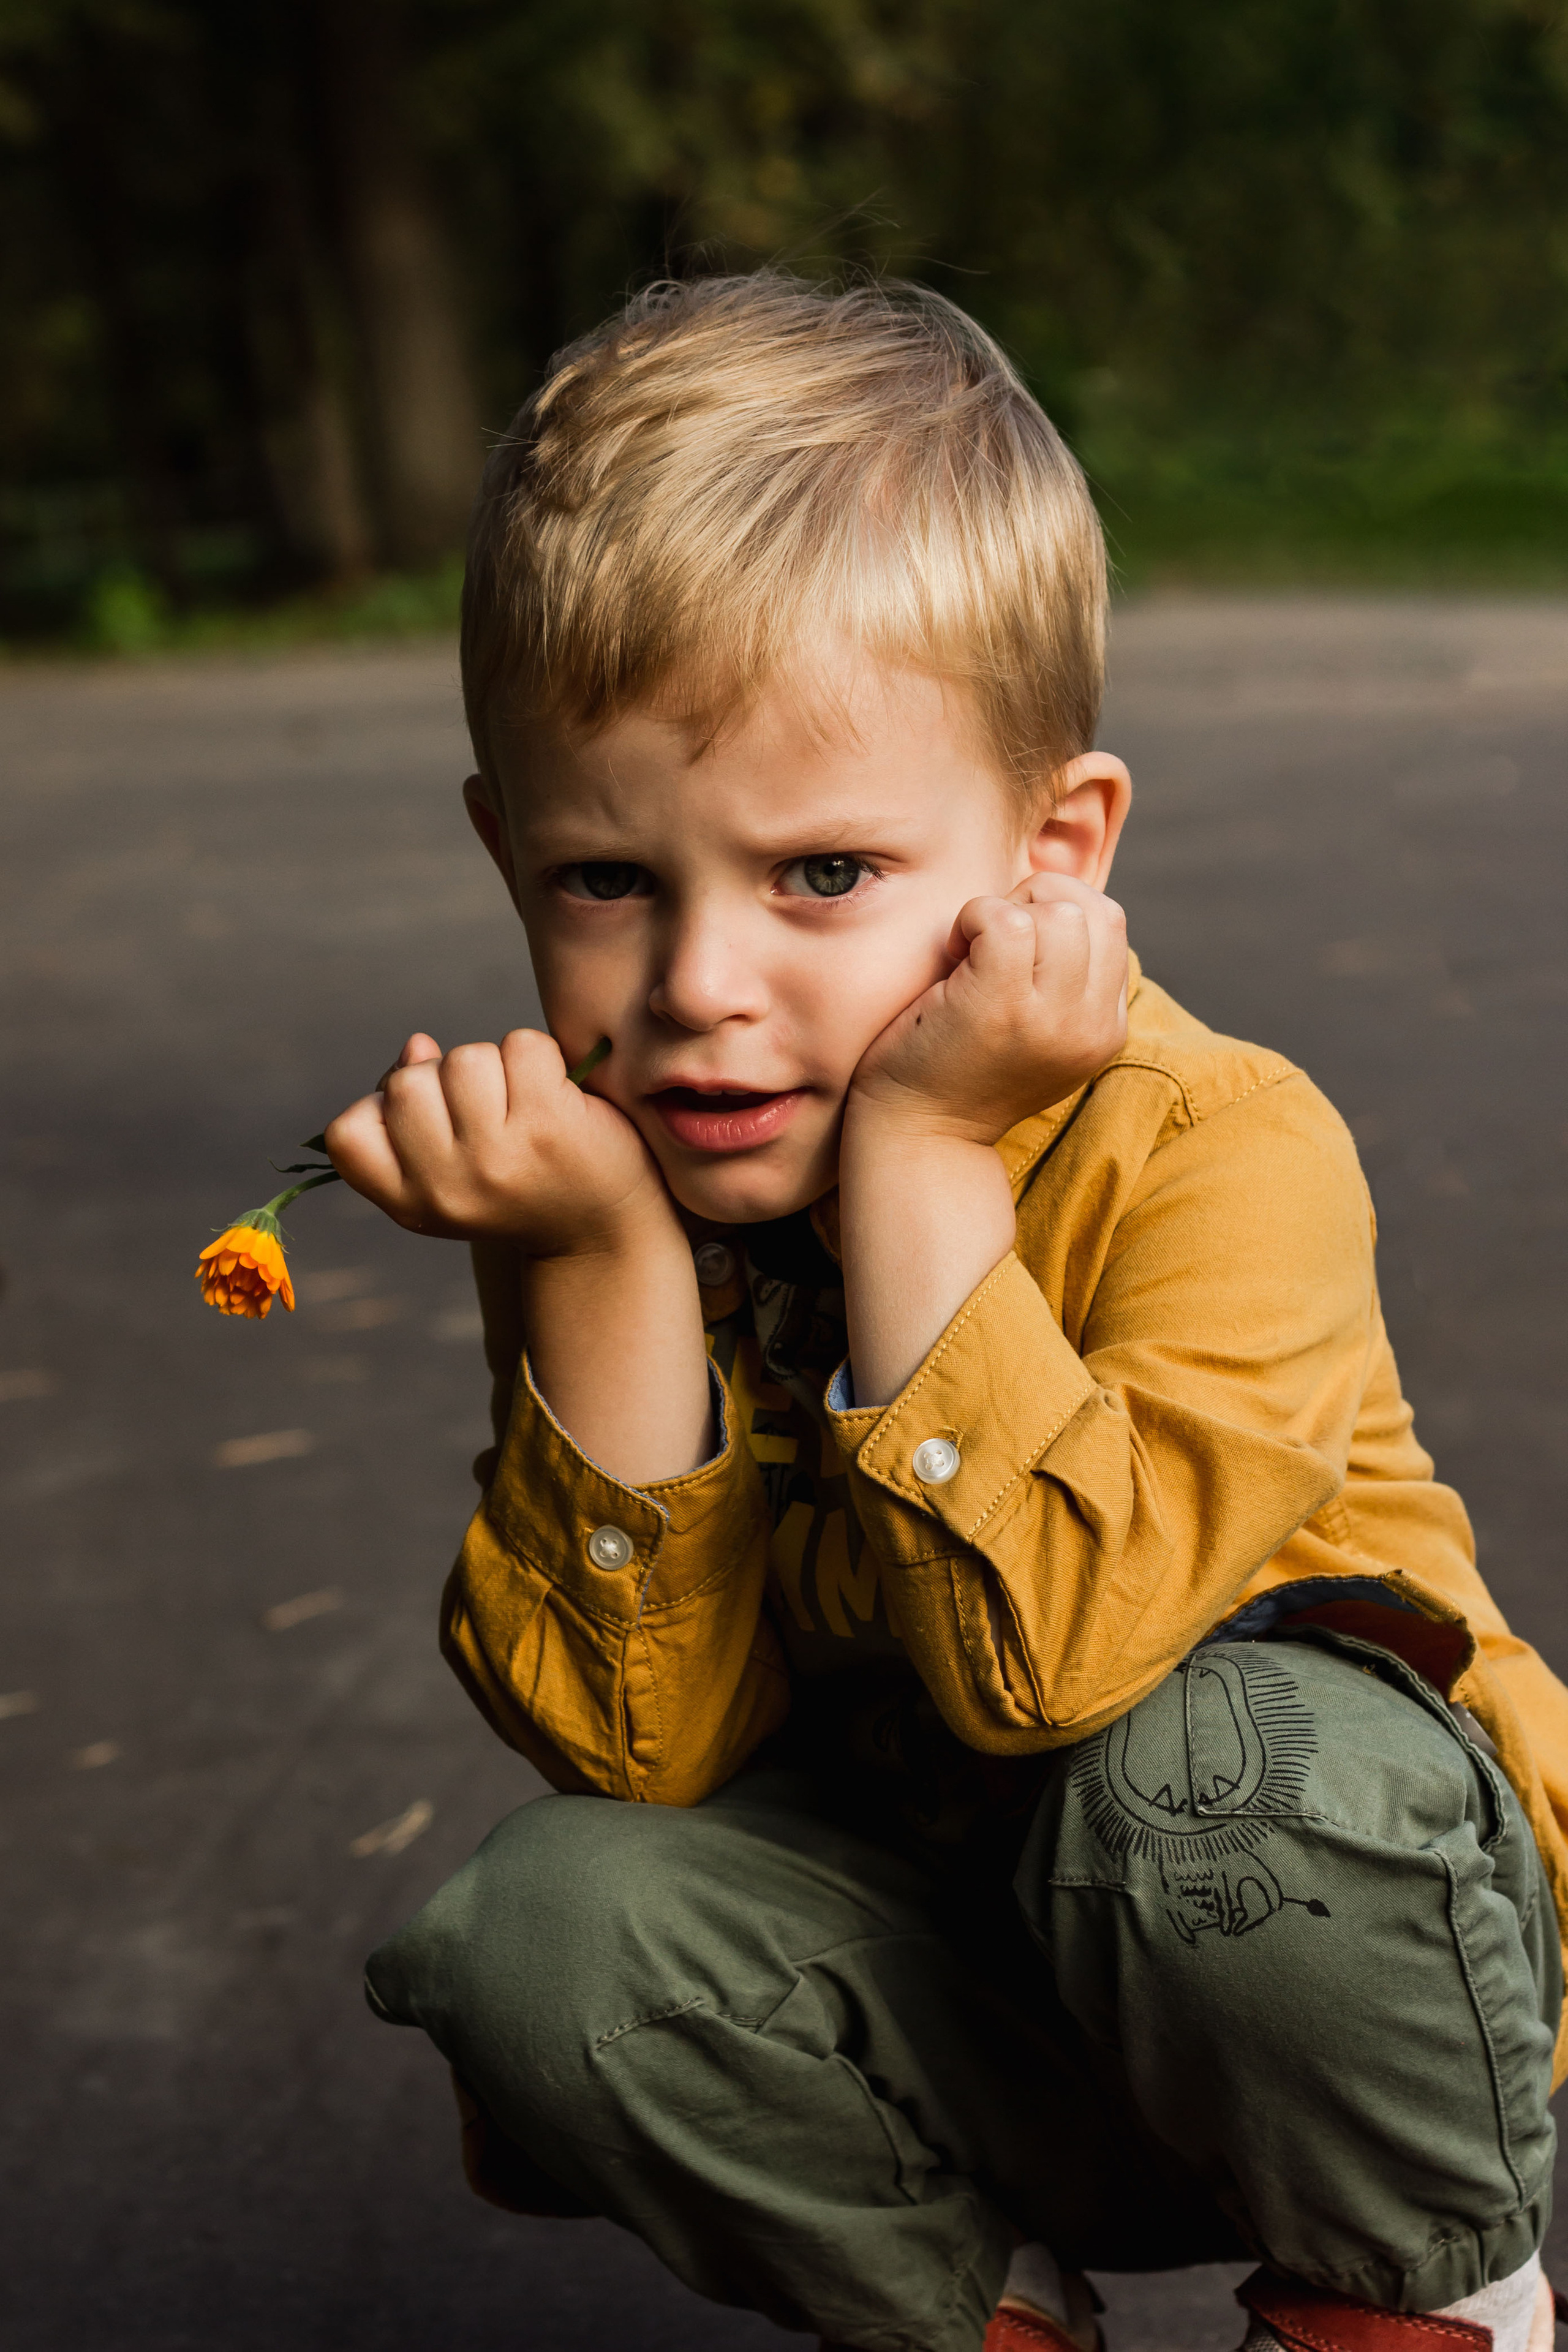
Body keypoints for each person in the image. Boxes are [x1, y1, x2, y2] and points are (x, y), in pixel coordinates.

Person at [323, 273, 1568, 2352]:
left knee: (1210, 1772)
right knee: (544, 1937)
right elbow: (648, 1760)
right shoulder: (622, 1179)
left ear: (1049, 848)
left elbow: (1053, 1666)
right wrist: (605, 1261)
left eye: (822, 875)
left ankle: (1417, 2304)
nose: (701, 981)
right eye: (605, 880)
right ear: (507, 854)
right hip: (978, 2014)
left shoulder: (1225, 1141)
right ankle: (982, 2313)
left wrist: (921, 1152)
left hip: (1324, 1997)